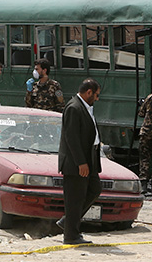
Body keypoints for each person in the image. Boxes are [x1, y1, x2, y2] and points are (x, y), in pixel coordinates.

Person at [57, 78, 102, 245]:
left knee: (95, 189)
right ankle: (71, 235)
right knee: (75, 199)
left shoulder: (85, 107)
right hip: (76, 163)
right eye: (96, 95)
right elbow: (71, 138)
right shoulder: (74, 107)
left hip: (89, 159)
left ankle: (67, 221)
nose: (97, 99)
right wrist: (81, 162)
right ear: (88, 92)